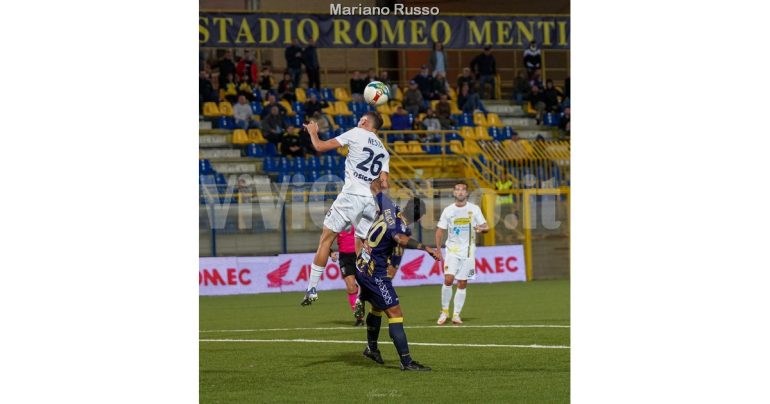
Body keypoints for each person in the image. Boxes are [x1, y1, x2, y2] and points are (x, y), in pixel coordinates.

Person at [300, 112, 390, 306]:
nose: (359, 120)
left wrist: (313, 132)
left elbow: (320, 146)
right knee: (363, 248)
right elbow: (384, 184)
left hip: (350, 197)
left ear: (365, 121)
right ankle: (370, 291)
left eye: (361, 119)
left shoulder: (357, 133)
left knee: (326, 239)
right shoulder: (383, 151)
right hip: (369, 202)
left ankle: (312, 289)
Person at [356, 185, 438, 371]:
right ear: (418, 218)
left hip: (361, 265)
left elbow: (375, 189)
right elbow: (400, 239)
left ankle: (372, 349)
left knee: (377, 307)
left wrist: (379, 179)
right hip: (374, 274)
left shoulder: (389, 206)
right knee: (395, 313)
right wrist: (426, 249)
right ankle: (407, 362)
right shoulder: (400, 226)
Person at [434, 181, 489, 325]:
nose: (460, 192)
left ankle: (456, 315)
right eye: (457, 189)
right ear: (453, 192)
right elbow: (440, 231)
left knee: (463, 282)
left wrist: (481, 229)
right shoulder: (448, 210)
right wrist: (438, 250)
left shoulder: (474, 209)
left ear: (467, 193)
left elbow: (486, 226)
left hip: (469, 252)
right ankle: (444, 311)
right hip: (452, 250)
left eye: (463, 190)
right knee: (448, 279)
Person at [330, 225, 365, 326]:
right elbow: (326, 242)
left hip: (359, 255)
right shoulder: (336, 223)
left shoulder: (358, 219)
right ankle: (359, 318)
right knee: (351, 288)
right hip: (345, 258)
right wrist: (331, 253)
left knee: (367, 286)